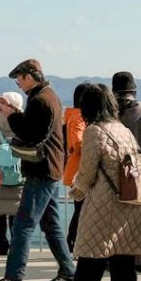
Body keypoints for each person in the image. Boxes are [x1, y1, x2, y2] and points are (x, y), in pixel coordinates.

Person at [56, 85, 141, 281]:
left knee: (87, 274)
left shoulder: (94, 131)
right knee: (124, 275)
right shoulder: (124, 130)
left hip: (102, 209)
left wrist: (76, 190)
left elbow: (87, 174)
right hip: (128, 208)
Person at [0, 59, 75, 281]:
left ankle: (14, 278)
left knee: (24, 224)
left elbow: (29, 133)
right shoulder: (49, 96)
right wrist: (14, 111)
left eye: (19, 80)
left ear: (29, 77)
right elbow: (36, 128)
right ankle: (68, 271)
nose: (18, 85)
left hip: (40, 169)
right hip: (51, 167)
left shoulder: (39, 101)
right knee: (51, 223)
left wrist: (10, 116)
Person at [113, 72, 141, 274]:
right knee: (140, 214)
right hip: (137, 167)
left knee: (116, 215)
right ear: (134, 90)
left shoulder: (109, 111)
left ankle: (116, 258)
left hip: (114, 166)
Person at [0, 91, 26, 255]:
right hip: (18, 162)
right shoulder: (21, 118)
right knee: (16, 206)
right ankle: (16, 244)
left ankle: (2, 244)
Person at [63, 83, 95, 252]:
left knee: (81, 209)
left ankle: (73, 243)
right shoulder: (78, 118)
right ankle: (73, 243)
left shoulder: (75, 116)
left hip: (77, 170)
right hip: (79, 171)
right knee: (81, 209)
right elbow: (78, 144)